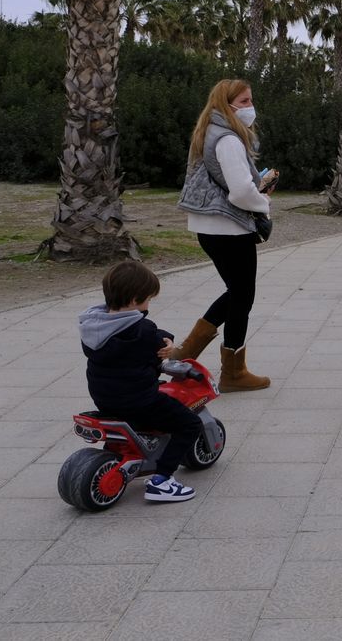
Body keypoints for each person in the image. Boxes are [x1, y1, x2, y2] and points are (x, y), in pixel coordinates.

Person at [173, 78, 273, 391]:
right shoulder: (228, 139)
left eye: (250, 100)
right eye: (244, 102)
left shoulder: (207, 132)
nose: (250, 107)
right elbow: (240, 191)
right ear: (226, 105)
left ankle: (188, 352)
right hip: (228, 227)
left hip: (209, 227)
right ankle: (232, 372)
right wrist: (263, 201)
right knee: (242, 296)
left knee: (238, 292)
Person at [78, 260, 202, 503]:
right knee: (189, 424)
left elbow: (135, 348)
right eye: (148, 299)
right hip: (138, 400)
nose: (148, 305)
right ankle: (162, 480)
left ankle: (131, 450)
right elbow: (155, 347)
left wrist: (160, 339)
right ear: (135, 299)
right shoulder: (142, 330)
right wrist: (167, 345)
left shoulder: (92, 326)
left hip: (105, 398)